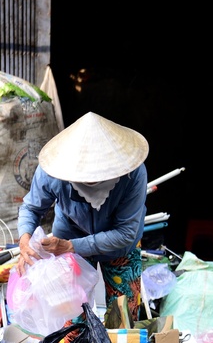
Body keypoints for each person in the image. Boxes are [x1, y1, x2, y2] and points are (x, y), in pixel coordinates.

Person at [17, 111, 149, 327]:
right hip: (67, 238)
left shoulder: (133, 174)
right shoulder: (52, 172)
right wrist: (25, 240)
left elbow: (126, 233)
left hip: (119, 249)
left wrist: (72, 246)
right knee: (71, 320)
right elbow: (31, 207)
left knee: (123, 321)